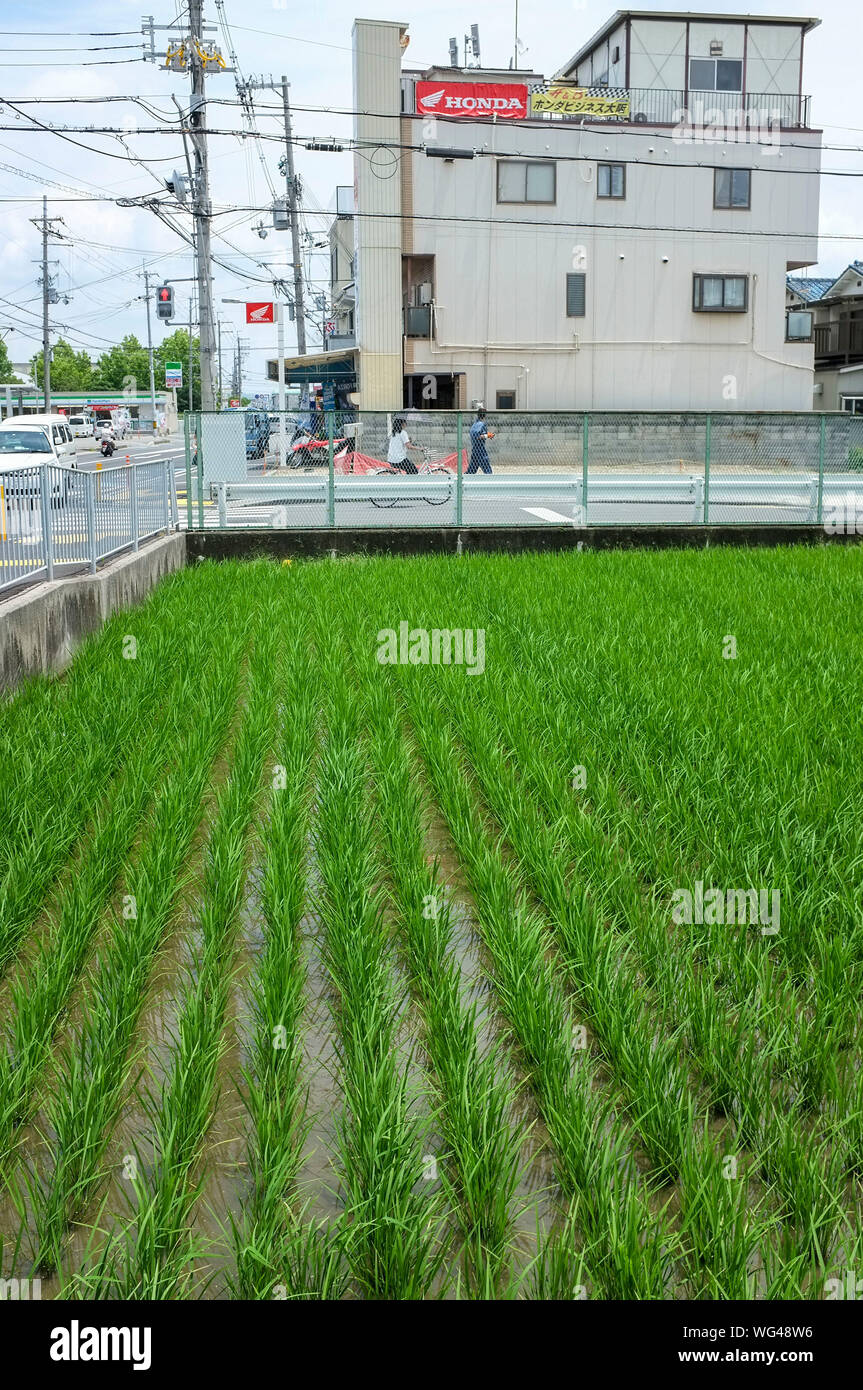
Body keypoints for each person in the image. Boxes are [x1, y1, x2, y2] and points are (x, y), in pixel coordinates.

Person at [467, 406, 494, 474]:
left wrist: (486, 434)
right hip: (481, 450)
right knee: (487, 469)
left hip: (474, 449)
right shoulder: (482, 424)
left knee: (471, 470)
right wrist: (489, 435)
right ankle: (490, 482)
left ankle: (463, 480)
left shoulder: (474, 424)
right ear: (484, 415)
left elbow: (475, 434)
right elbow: (479, 436)